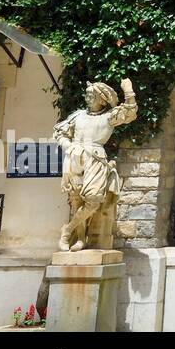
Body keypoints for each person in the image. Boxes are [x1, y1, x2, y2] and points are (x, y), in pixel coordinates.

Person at [55, 77, 138, 252]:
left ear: (102, 100)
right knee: (76, 201)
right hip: (74, 157)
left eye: (91, 96)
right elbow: (60, 133)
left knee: (93, 199)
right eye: (87, 95)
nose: (87, 98)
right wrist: (68, 146)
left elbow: (130, 113)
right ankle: (80, 240)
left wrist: (128, 91)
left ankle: (67, 230)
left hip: (96, 159)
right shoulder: (77, 116)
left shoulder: (109, 117)